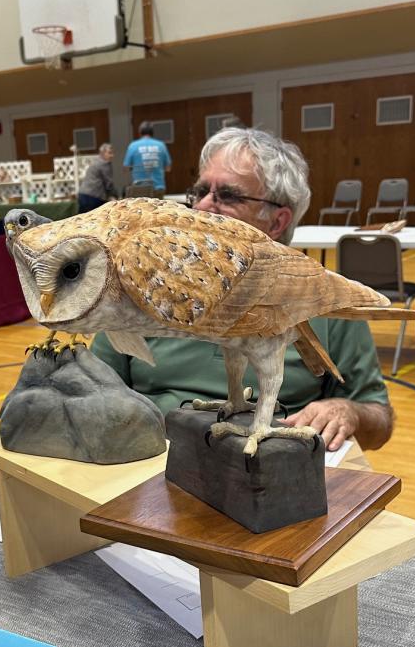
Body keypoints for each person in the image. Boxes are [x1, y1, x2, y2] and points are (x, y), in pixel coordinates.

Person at [92, 127, 394, 451]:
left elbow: (380, 420)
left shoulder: (322, 298)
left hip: (267, 475)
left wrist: (349, 412)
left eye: (228, 196)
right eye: (201, 191)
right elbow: (92, 389)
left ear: (277, 223)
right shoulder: (146, 283)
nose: (203, 206)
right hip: (145, 464)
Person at [123, 121, 172, 196]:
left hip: (139, 188)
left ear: (140, 132)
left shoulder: (133, 146)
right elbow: (168, 168)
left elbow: (126, 168)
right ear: (152, 132)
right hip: (157, 187)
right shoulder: (161, 145)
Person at [77, 143, 117, 213]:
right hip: (94, 197)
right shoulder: (105, 164)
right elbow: (108, 183)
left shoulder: (95, 161)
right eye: (110, 153)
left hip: (82, 194)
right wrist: (114, 196)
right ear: (103, 153)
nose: (112, 156)